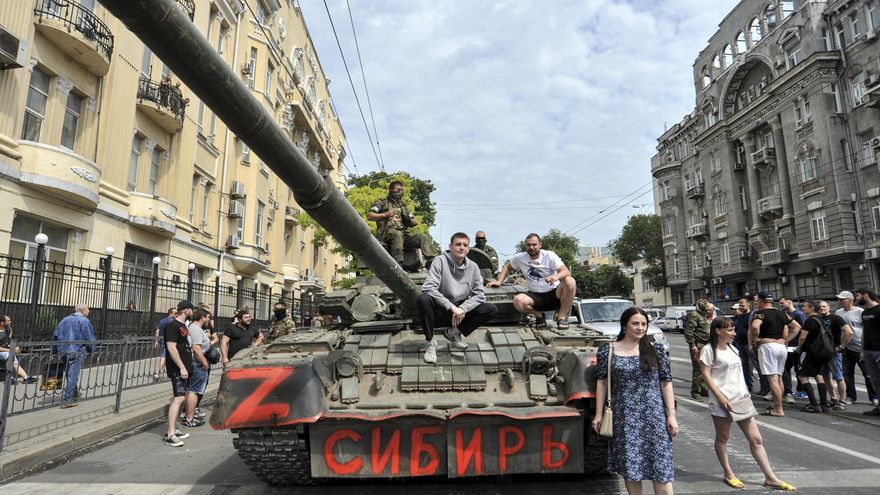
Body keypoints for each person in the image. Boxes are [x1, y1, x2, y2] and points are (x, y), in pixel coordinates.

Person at [699, 317, 796, 491]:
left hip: (741, 398)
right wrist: (720, 397)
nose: (734, 333)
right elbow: (706, 375)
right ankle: (729, 474)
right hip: (723, 400)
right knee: (722, 438)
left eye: (733, 329)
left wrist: (746, 393)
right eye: (729, 330)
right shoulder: (708, 350)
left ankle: (770, 477)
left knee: (756, 439)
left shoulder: (732, 348)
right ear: (717, 331)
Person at [591, 307, 676, 495]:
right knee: (632, 470)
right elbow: (602, 382)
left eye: (644, 324)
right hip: (625, 419)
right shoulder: (609, 350)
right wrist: (598, 414)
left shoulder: (656, 349)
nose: (640, 328)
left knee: (661, 469)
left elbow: (666, 384)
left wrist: (671, 415)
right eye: (635, 323)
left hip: (654, 418)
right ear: (624, 325)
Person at [419, 232, 498, 364]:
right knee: (423, 300)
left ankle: (454, 332)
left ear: (468, 249)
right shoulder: (440, 261)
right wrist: (452, 307)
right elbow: (428, 288)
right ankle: (430, 343)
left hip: (460, 313)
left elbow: (479, 294)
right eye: (458, 244)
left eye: (464, 245)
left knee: (491, 309)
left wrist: (462, 308)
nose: (461, 247)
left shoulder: (473, 267)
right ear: (451, 247)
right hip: (440, 310)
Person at [486, 233, 576, 329]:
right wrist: (499, 281)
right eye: (528, 245)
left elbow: (566, 271)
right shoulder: (520, 258)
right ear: (525, 246)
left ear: (540, 245)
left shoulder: (549, 255)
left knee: (570, 281)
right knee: (518, 301)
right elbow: (508, 267)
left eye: (534, 244)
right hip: (535, 296)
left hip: (555, 293)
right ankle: (538, 315)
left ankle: (561, 317)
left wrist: (556, 276)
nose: (531, 247)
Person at [749, 291, 800, 417]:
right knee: (778, 377)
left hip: (768, 347)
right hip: (781, 347)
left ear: (761, 300)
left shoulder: (760, 313)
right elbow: (797, 327)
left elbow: (755, 327)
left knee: (772, 378)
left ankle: (778, 408)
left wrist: (755, 340)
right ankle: (778, 404)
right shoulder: (781, 313)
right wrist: (786, 340)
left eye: (757, 300)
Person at [367, 180, 439, 268]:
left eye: (401, 190)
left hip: (403, 234)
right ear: (391, 190)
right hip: (386, 234)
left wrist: (413, 222)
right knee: (398, 234)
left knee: (422, 237)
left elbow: (410, 218)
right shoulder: (382, 202)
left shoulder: (403, 206)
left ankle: (433, 262)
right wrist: (385, 214)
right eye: (398, 190)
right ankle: (398, 265)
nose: (400, 192)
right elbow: (370, 216)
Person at [52, 304, 96, 409]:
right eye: (88, 309)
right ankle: (67, 400)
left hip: (63, 350)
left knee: (70, 373)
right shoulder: (84, 321)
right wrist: (92, 350)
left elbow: (55, 335)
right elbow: (90, 338)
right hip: (75, 351)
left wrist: (54, 351)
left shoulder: (65, 320)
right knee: (72, 375)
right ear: (82, 310)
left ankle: (74, 393)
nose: (89, 311)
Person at [836, 291, 877, 406]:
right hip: (846, 348)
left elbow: (867, 329)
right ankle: (851, 396)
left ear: (850, 300)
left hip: (860, 348)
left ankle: (874, 397)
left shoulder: (860, 311)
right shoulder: (839, 312)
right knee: (847, 373)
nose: (840, 301)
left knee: (867, 374)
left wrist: (864, 348)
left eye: (842, 299)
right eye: (839, 299)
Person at [163, 300, 194, 447]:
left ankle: (173, 429)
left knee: (181, 398)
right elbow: (171, 348)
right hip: (177, 369)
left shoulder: (182, 326)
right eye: (191, 310)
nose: (192, 312)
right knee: (178, 399)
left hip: (185, 367)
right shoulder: (172, 325)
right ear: (186, 310)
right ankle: (170, 434)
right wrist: (181, 367)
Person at [795, 301, 835, 413]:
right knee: (819, 376)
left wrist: (799, 348)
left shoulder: (809, 321)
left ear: (812, 308)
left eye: (805, 306)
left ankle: (814, 404)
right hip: (821, 353)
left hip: (810, 352)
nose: (803, 308)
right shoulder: (821, 319)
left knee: (802, 376)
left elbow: (803, 337)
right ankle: (824, 405)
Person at [818, 300, 852, 409]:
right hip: (821, 352)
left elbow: (849, 332)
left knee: (838, 376)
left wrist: (841, 346)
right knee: (826, 376)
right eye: (820, 307)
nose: (822, 308)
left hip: (834, 352)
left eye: (824, 306)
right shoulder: (817, 319)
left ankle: (842, 400)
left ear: (828, 307)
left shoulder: (835, 318)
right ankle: (833, 398)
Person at [182, 307, 211, 428]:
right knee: (194, 391)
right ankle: (189, 418)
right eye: (208, 317)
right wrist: (204, 363)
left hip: (196, 363)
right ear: (202, 317)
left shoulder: (195, 328)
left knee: (192, 390)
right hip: (198, 364)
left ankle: (189, 416)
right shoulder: (196, 329)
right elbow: (196, 349)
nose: (209, 320)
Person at [778, 297, 804, 404]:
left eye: (782, 302)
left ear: (790, 302)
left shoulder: (798, 314)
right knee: (785, 369)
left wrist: (801, 345)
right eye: (779, 303)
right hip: (786, 347)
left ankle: (801, 390)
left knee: (799, 370)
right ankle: (788, 391)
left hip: (796, 346)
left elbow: (803, 329)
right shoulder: (783, 314)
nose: (780, 305)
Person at [858, 289, 880, 416]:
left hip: (878, 351)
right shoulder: (865, 312)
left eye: (858, 296)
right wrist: (862, 349)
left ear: (865, 296)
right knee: (875, 380)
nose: (856, 299)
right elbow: (864, 332)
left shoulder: (879, 310)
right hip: (868, 351)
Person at [684, 299, 711, 400]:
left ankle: (704, 390)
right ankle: (695, 392)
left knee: (705, 368)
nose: (708, 308)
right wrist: (693, 345)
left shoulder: (702, 315)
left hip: (705, 344)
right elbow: (689, 331)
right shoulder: (695, 315)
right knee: (698, 370)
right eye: (706, 305)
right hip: (697, 346)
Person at [0, 315, 37, 384]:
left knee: (11, 357)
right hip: (2, 351)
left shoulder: (8, 329)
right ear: (2, 322)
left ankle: (22, 378)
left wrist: (15, 347)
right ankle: (23, 378)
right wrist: (9, 350)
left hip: (5, 351)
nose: (10, 322)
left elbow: (8, 341)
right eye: (8, 321)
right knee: (9, 355)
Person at [732, 299, 754, 392]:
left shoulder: (752, 316)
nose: (741, 307)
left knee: (756, 366)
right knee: (743, 366)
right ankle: (748, 385)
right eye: (739, 306)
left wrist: (751, 343)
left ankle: (766, 388)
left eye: (742, 305)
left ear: (748, 304)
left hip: (749, 344)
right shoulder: (740, 317)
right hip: (740, 344)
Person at [153, 307, 177, 381]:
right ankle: (157, 373)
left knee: (167, 357)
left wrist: (157, 341)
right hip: (169, 341)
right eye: (175, 313)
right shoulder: (173, 321)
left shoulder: (162, 321)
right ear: (170, 313)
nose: (176, 314)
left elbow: (157, 331)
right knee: (165, 357)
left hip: (163, 340)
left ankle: (160, 372)